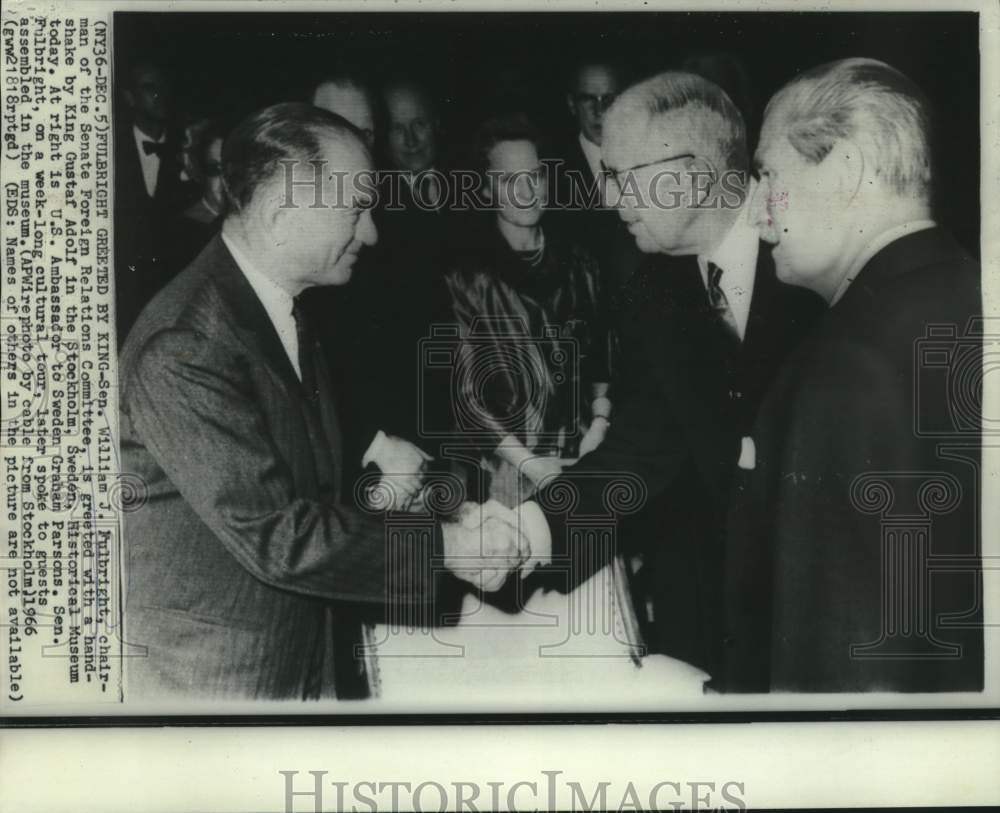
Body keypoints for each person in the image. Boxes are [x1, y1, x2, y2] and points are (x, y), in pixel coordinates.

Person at [118, 103, 531, 701]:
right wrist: (448, 549)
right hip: (217, 682)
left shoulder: (282, 313)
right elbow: (278, 536)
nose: (372, 233)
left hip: (293, 660)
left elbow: (314, 498)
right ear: (283, 213)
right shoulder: (186, 343)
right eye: (357, 208)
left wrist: (447, 519)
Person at [520, 72, 825, 678]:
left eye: (620, 177)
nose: (609, 200)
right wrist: (528, 529)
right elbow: (639, 452)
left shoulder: (814, 259)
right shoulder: (648, 292)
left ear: (689, 175)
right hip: (715, 619)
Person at [718, 58, 983, 692]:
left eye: (767, 174)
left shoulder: (846, 362)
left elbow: (839, 668)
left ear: (845, 170)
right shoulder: (970, 292)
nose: (755, 216)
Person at [444, 113, 613, 507]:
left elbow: (603, 355)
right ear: (486, 188)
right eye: (508, 180)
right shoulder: (467, 281)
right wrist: (531, 465)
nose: (526, 191)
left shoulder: (581, 263)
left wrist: (600, 423)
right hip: (507, 475)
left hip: (585, 456)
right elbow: (469, 397)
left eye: (535, 175)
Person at [553, 60, 642, 329]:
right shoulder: (552, 174)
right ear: (571, 104)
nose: (599, 110)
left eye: (609, 99)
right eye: (587, 99)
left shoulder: (651, 156)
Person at [114, 60, 196, 341]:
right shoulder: (106, 148)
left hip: (172, 295)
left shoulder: (188, 150)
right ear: (130, 97)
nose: (160, 95)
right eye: (150, 88)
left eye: (164, 88)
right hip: (121, 295)